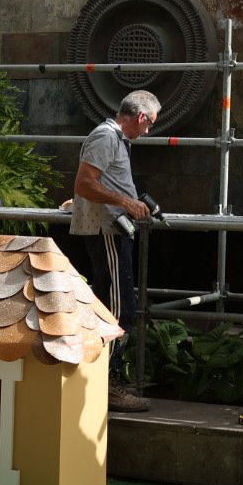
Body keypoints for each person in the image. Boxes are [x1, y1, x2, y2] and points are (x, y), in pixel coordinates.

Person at [71, 89, 160, 412]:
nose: (148, 132)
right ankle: (107, 385)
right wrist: (126, 202)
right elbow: (84, 183)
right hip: (107, 230)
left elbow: (91, 184)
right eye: (149, 124)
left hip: (112, 229)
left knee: (111, 305)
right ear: (140, 117)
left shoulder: (114, 139)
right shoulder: (106, 137)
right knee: (119, 311)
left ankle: (103, 382)